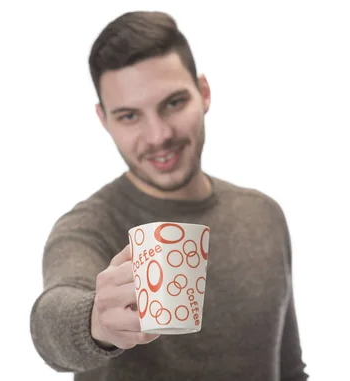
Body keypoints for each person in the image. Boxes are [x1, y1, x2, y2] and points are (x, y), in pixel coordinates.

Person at [29, 10, 309, 381]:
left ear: (203, 93)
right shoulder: (87, 227)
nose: (159, 135)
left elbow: (288, 370)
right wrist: (95, 320)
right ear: (104, 120)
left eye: (173, 103)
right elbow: (52, 321)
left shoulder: (264, 215)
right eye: (129, 116)